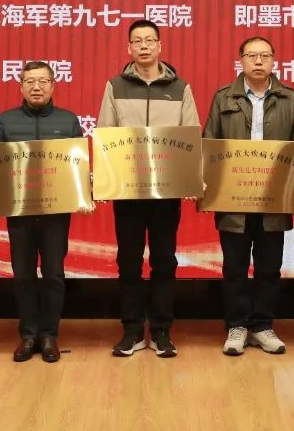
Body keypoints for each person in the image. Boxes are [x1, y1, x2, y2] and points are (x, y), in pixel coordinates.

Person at [97, 19, 199, 358]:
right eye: (137, 41)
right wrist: (107, 180)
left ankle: (161, 331)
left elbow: (191, 134)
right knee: (128, 261)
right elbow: (106, 134)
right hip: (128, 191)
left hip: (166, 193)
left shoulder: (180, 87)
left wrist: (189, 177)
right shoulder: (115, 86)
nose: (144, 46)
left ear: (159, 46)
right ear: (129, 48)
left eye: (149, 40)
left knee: (164, 261)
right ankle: (131, 330)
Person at [204, 36, 294, 357]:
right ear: (241, 61)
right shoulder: (224, 97)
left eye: (265, 56)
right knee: (234, 267)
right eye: (252, 56)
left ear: (274, 60)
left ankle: (262, 326)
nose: (258, 61)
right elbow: (210, 144)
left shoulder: (290, 98)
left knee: (269, 267)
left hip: (274, 198)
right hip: (233, 197)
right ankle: (236, 326)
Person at [0, 61, 86, 364]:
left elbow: (78, 166)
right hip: (19, 213)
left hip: (56, 213)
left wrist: (82, 195)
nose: (36, 87)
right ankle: (28, 335)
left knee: (54, 274)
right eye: (30, 81)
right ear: (21, 86)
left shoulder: (68, 121)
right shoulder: (6, 120)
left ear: (53, 86)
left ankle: (49, 335)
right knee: (23, 275)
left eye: (43, 81)